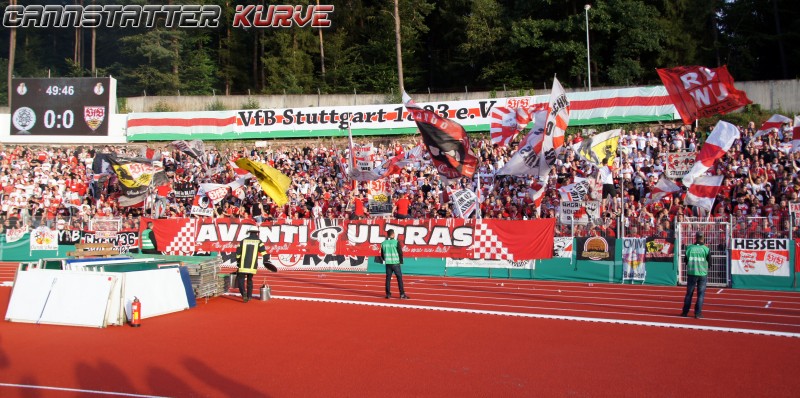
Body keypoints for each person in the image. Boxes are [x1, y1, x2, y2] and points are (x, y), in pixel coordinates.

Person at [235, 229, 275, 303]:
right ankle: (249, 296)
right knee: (250, 280)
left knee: (241, 279)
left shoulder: (243, 241)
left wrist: (238, 261)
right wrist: (266, 260)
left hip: (243, 265)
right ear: (257, 233)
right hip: (252, 266)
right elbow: (264, 252)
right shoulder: (259, 241)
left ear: (249, 232)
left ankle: (243, 293)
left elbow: (238, 253)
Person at [682, 232, 710, 318]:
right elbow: (710, 263)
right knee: (700, 294)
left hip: (691, 273)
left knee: (689, 294)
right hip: (702, 273)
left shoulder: (689, 248)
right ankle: (698, 313)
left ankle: (685, 312)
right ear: (703, 238)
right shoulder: (706, 249)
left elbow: (685, 261)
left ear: (695, 237)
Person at [381, 230, 408, 299]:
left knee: (388, 279)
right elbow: (400, 253)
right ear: (393, 234)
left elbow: (382, 254)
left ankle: (388, 294)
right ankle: (402, 294)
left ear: (387, 234)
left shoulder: (383, 243)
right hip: (396, 263)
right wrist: (401, 261)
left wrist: (386, 259)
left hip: (388, 263)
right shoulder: (396, 242)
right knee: (399, 279)